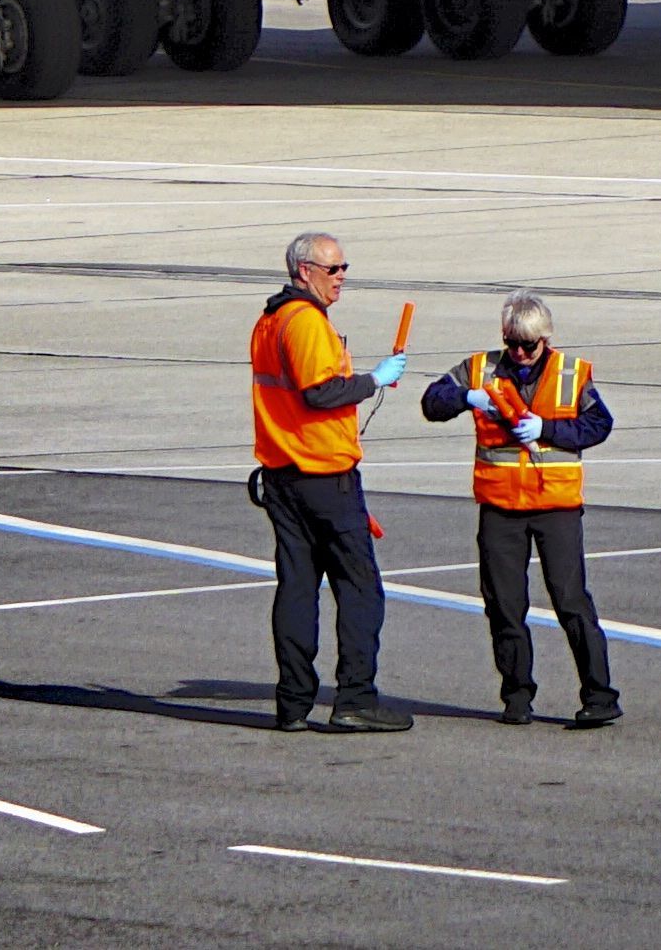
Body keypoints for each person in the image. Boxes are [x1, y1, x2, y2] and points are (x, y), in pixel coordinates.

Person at [421, 293, 619, 727]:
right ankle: (516, 695)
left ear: (545, 339)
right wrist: (467, 398)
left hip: (555, 508)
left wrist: (546, 428)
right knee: (504, 605)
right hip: (501, 507)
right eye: (512, 343)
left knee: (571, 601)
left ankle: (600, 695)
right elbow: (432, 402)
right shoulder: (481, 369)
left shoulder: (571, 374)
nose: (520, 353)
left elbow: (599, 424)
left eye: (528, 345)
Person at [246, 231, 410, 733]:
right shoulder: (305, 322)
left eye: (343, 268)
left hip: (282, 475)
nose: (341, 278)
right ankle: (355, 698)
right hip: (323, 477)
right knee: (360, 589)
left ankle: (293, 702)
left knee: (297, 588)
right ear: (304, 272)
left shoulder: (269, 321)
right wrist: (374, 380)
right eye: (332, 269)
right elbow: (321, 393)